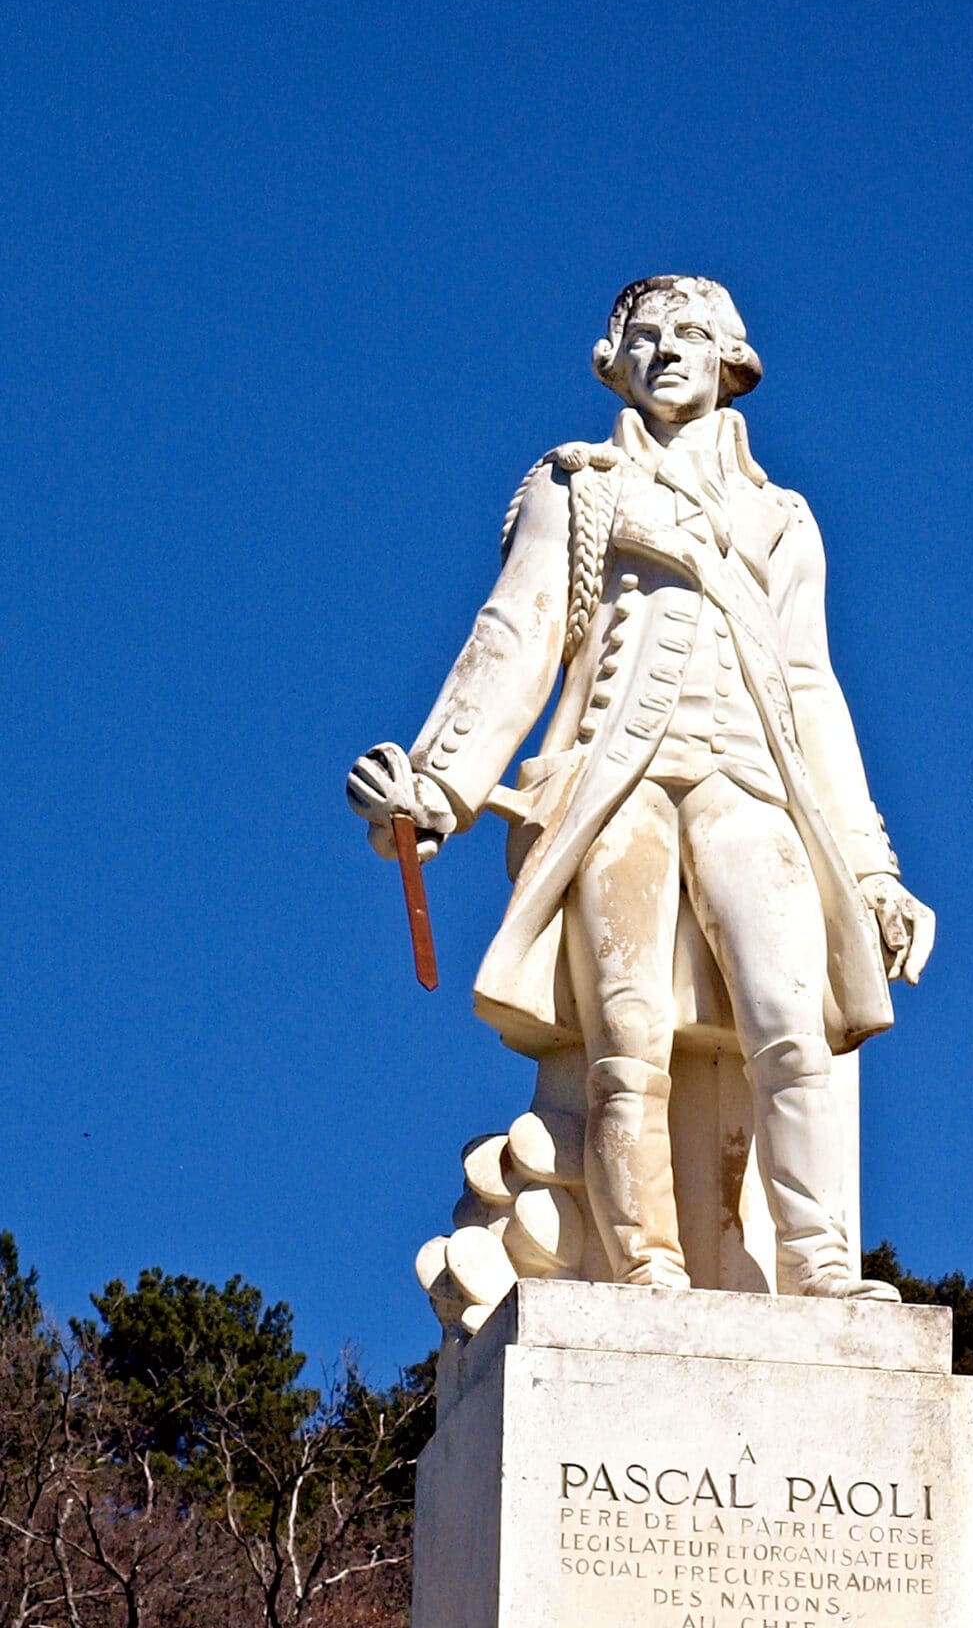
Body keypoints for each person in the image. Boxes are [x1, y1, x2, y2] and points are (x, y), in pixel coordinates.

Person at [348, 276, 933, 1302]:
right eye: (647, 336)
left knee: (790, 1025)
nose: (668, 351)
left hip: (752, 785)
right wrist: (436, 783)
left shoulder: (781, 518)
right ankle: (644, 1265)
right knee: (627, 1038)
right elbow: (517, 635)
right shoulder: (576, 489)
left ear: (729, 360)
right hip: (614, 788)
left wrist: (876, 870)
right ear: (614, 359)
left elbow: (811, 687)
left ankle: (820, 1265)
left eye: (692, 335)